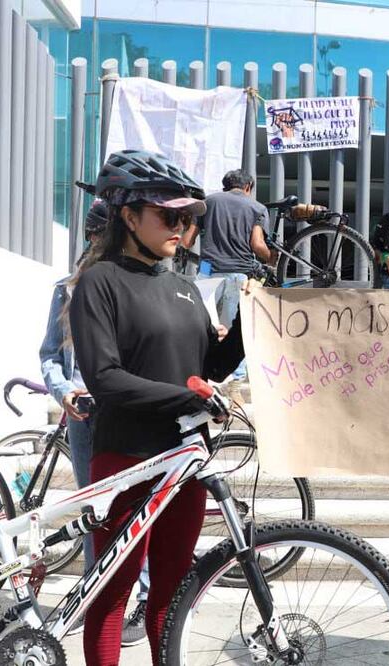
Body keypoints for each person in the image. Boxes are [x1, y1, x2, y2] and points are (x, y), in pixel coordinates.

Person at [69, 150, 244, 666]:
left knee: (172, 594)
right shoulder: (99, 282)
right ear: (128, 216)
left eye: (186, 220)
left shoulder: (184, 286)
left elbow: (208, 366)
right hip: (126, 457)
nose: (180, 228)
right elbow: (105, 379)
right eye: (169, 217)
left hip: (186, 459)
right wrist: (188, 397)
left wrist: (250, 326)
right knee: (112, 592)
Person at [43, 199, 159, 644]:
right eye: (98, 234)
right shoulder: (68, 289)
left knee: (140, 508)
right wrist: (63, 390)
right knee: (95, 511)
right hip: (86, 414)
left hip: (132, 411)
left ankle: (143, 596)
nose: (103, 243)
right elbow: (50, 354)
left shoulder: (144, 283)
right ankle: (97, 598)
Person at [181, 168, 274, 327]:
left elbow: (186, 241)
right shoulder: (257, 208)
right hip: (239, 274)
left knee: (203, 326)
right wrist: (271, 258)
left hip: (207, 270)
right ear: (248, 186)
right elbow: (257, 245)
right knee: (230, 331)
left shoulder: (206, 203)